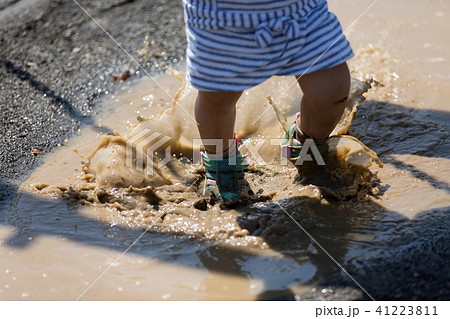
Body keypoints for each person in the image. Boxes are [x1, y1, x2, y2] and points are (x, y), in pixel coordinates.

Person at [183, 0, 353, 202]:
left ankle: (306, 142)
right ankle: (221, 163)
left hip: (299, 12)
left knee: (331, 89)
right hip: (223, 19)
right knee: (217, 98)